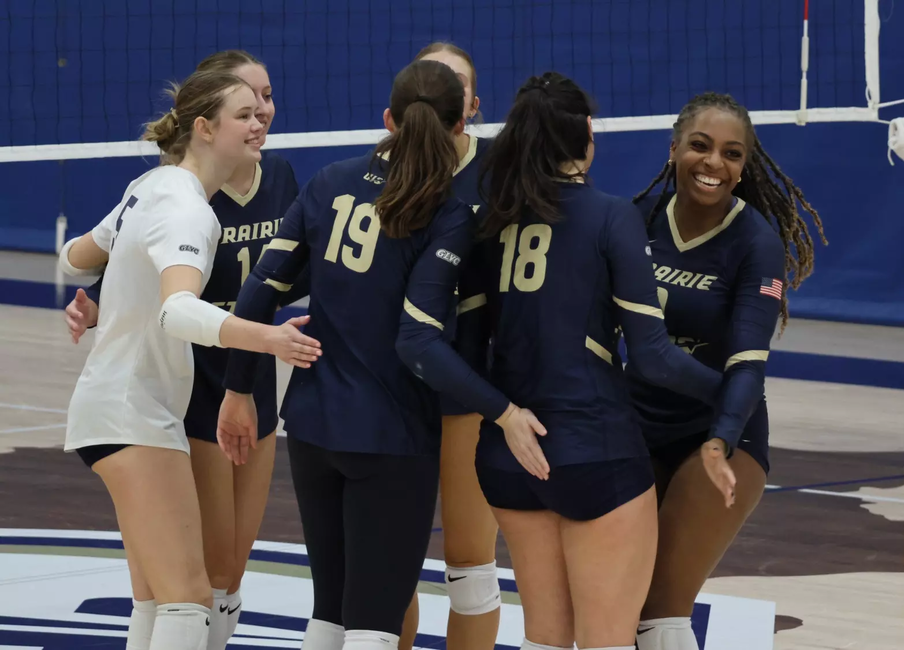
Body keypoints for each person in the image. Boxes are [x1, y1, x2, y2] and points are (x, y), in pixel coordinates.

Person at [214, 58, 543, 650]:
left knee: (330, 613)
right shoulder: (446, 213)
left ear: (389, 118)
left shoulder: (329, 180)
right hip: (391, 435)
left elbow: (258, 292)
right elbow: (417, 342)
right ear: (458, 129)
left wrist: (239, 390)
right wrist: (502, 409)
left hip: (313, 428)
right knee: (373, 624)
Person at [459, 72, 727, 650]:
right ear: (585, 134)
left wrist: (501, 414)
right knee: (607, 641)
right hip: (594, 452)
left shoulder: (490, 220)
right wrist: (730, 392)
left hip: (508, 458)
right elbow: (653, 357)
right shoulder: (610, 215)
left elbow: (464, 355)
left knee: (546, 640)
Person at [58, 68, 321, 650]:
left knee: (160, 597)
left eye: (261, 112)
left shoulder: (148, 188)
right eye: (244, 117)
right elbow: (177, 310)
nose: (260, 125)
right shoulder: (189, 211)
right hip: (132, 414)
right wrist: (267, 338)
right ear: (204, 128)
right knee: (190, 598)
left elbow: (75, 258)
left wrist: (106, 288)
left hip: (126, 409)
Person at [626, 91, 826, 650]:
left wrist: (719, 437)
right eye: (701, 146)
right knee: (610, 600)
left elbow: (748, 360)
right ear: (673, 150)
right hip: (633, 424)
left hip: (718, 433)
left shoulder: (755, 243)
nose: (714, 163)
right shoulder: (635, 220)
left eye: (732, 154)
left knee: (660, 615)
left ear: (743, 167)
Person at [402, 41, 502, 650]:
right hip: (395, 386)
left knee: (470, 566)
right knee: (392, 565)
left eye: (454, 81)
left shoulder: (503, 169)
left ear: (472, 103)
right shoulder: (382, 170)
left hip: (471, 379)